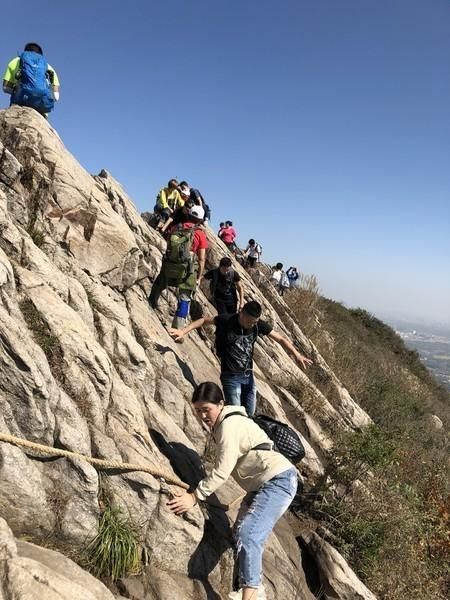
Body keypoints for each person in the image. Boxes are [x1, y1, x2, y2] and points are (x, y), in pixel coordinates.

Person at [167, 381, 298, 600]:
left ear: (221, 403)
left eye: (206, 410)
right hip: (263, 484)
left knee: (248, 534)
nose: (202, 416)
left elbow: (222, 470)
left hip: (278, 481)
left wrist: (194, 497)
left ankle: (250, 594)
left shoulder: (229, 425)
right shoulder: (225, 423)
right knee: (240, 534)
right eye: (198, 411)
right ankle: (252, 591)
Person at [170, 301, 312, 415]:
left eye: (255, 322)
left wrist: (297, 354)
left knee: (249, 413)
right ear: (242, 313)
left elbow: (280, 338)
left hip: (248, 376)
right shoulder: (227, 320)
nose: (252, 325)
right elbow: (203, 320)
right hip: (230, 376)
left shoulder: (257, 325)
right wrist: (183, 331)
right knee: (237, 415)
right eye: (250, 321)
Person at [149, 205, 207, 331]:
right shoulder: (200, 234)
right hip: (188, 270)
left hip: (171, 264)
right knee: (184, 299)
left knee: (159, 285)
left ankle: (150, 306)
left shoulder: (176, 227)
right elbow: (202, 258)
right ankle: (177, 329)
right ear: (200, 220)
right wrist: (199, 277)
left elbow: (169, 245)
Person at [3, 42, 60, 117]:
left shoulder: (15, 61)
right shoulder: (48, 67)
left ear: (25, 52)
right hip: (41, 109)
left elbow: (6, 88)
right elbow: (56, 97)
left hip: (19, 104)